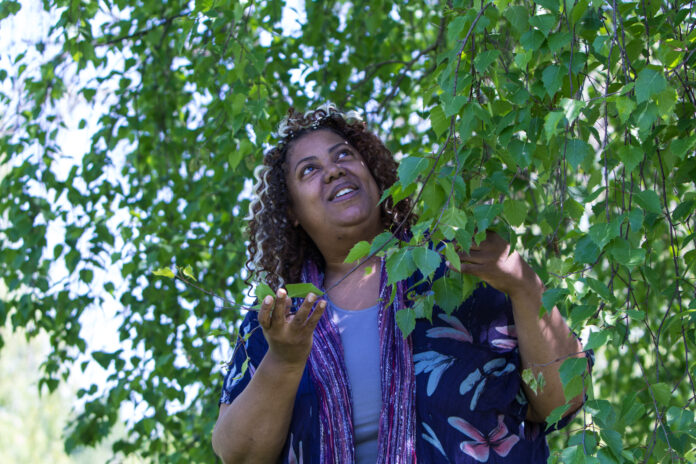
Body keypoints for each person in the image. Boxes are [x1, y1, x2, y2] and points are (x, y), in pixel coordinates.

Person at [212, 103, 590, 463]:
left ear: (372, 172)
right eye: (308, 170)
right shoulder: (277, 319)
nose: (332, 170)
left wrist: (523, 284)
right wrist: (285, 359)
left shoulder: (462, 269)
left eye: (343, 155)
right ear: (291, 211)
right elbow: (239, 455)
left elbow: (562, 400)